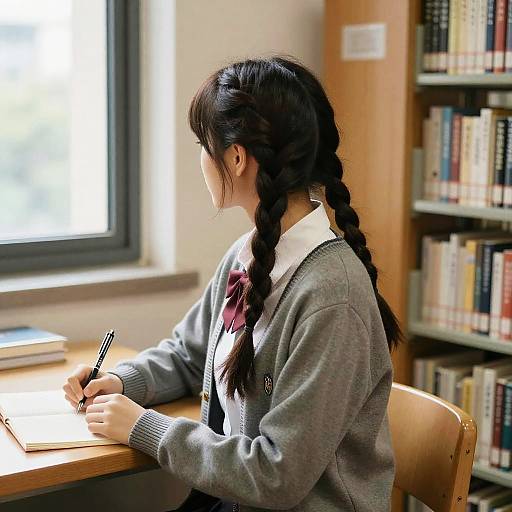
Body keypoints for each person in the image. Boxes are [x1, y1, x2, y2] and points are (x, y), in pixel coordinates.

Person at [63, 55, 403, 512]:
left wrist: (144, 427)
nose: (201, 160)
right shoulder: (250, 256)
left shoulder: (332, 297)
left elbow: (277, 474)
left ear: (237, 157)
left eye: (204, 145)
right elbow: (190, 355)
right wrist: (123, 383)